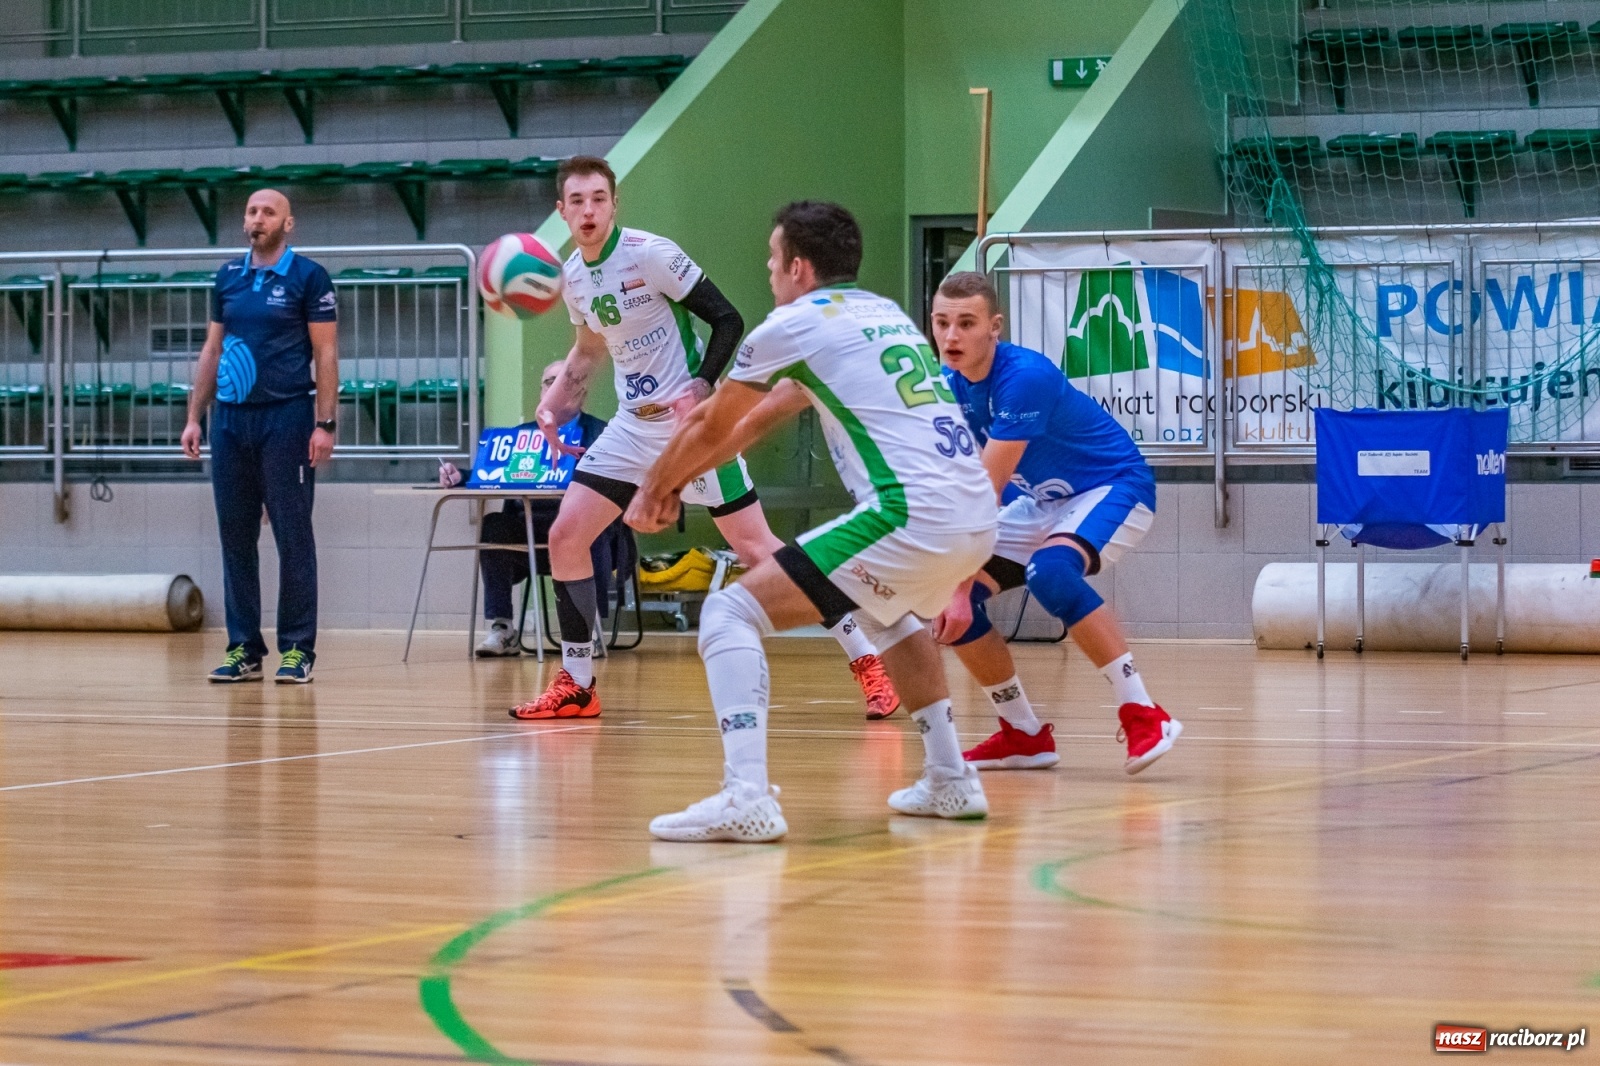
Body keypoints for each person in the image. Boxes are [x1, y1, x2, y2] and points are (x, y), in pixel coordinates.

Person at [625, 200, 999, 842]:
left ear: (797, 267)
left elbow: (712, 422)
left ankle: (745, 796)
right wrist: (679, 475)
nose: (770, 274)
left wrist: (656, 486)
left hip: (912, 513)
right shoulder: (882, 314)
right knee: (891, 613)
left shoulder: (792, 324)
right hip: (975, 513)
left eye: (772, 261)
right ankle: (950, 778)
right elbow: (764, 414)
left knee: (729, 613)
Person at [517, 155, 900, 721]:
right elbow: (590, 349)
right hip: (630, 424)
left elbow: (728, 318)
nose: (589, 210)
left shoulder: (651, 254)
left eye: (599, 198)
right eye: (578, 201)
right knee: (565, 538)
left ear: (614, 203)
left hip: (689, 429)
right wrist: (554, 405)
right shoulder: (573, 275)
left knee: (759, 552)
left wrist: (700, 388)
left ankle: (866, 659)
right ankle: (577, 682)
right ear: (562, 210)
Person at [928, 271, 1181, 774]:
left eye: (966, 323)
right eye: (942, 323)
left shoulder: (1024, 377)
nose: (952, 336)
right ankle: (1022, 733)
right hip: (1041, 502)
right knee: (945, 598)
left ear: (994, 327)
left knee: (1051, 572)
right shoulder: (945, 387)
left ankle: (1144, 712)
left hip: (1111, 486)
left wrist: (958, 583)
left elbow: (987, 488)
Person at [182, 189, 338, 684]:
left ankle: (298, 650)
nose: (258, 218)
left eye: (268, 211)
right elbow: (212, 350)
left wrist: (325, 423)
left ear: (288, 223)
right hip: (230, 422)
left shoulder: (308, 277)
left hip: (286, 418)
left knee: (293, 537)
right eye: (251, 210)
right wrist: (194, 417)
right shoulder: (227, 277)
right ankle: (244, 647)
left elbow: (326, 354)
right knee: (235, 537)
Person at [439, 358, 607, 656]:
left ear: (581, 391)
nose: (556, 388)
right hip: (528, 532)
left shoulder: (600, 433)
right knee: (493, 525)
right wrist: (460, 476)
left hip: (579, 532)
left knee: (588, 526)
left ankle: (588, 629)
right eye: (549, 382)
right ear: (542, 392)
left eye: (565, 381)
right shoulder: (520, 435)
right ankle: (502, 628)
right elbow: (492, 473)